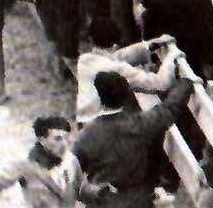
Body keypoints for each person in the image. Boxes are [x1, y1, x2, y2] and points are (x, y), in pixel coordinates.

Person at [74, 67, 195, 208]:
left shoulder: (87, 135)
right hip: (139, 202)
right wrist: (187, 82)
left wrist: (91, 194)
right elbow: (170, 108)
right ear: (126, 96)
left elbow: (70, 177)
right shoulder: (141, 124)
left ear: (99, 98)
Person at [0, 116, 94, 208]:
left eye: (66, 138)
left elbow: (82, 190)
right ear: (42, 140)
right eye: (57, 139)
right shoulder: (26, 164)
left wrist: (99, 192)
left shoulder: (71, 161)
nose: (64, 144)